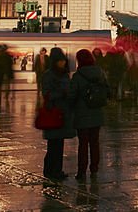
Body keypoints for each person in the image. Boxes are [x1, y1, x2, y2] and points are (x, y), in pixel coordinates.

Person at [70, 49, 108, 181]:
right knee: (95, 142)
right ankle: (94, 168)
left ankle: (81, 171)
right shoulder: (100, 73)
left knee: (83, 144)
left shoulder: (77, 76)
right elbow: (107, 90)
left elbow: (72, 95)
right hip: (97, 113)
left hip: (82, 114)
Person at [41, 47, 75, 181]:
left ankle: (58, 170)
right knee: (53, 144)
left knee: (59, 143)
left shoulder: (65, 74)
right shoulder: (48, 75)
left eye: (64, 61)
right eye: (60, 61)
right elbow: (46, 93)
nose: (63, 63)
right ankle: (50, 170)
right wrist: (62, 93)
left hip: (64, 112)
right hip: (53, 112)